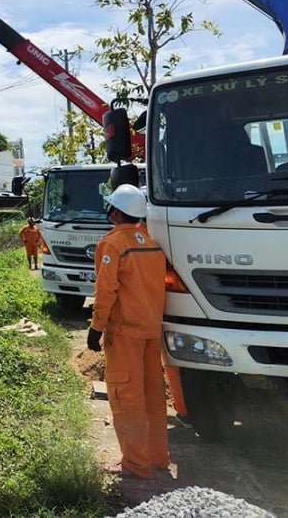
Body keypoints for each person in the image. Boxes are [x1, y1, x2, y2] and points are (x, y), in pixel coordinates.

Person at [86, 184, 169, 479]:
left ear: (116, 211)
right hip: (151, 331)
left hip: (124, 334)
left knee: (126, 397)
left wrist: (96, 327)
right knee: (153, 397)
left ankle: (135, 464)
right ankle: (157, 458)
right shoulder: (152, 244)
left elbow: (106, 290)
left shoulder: (113, 244)